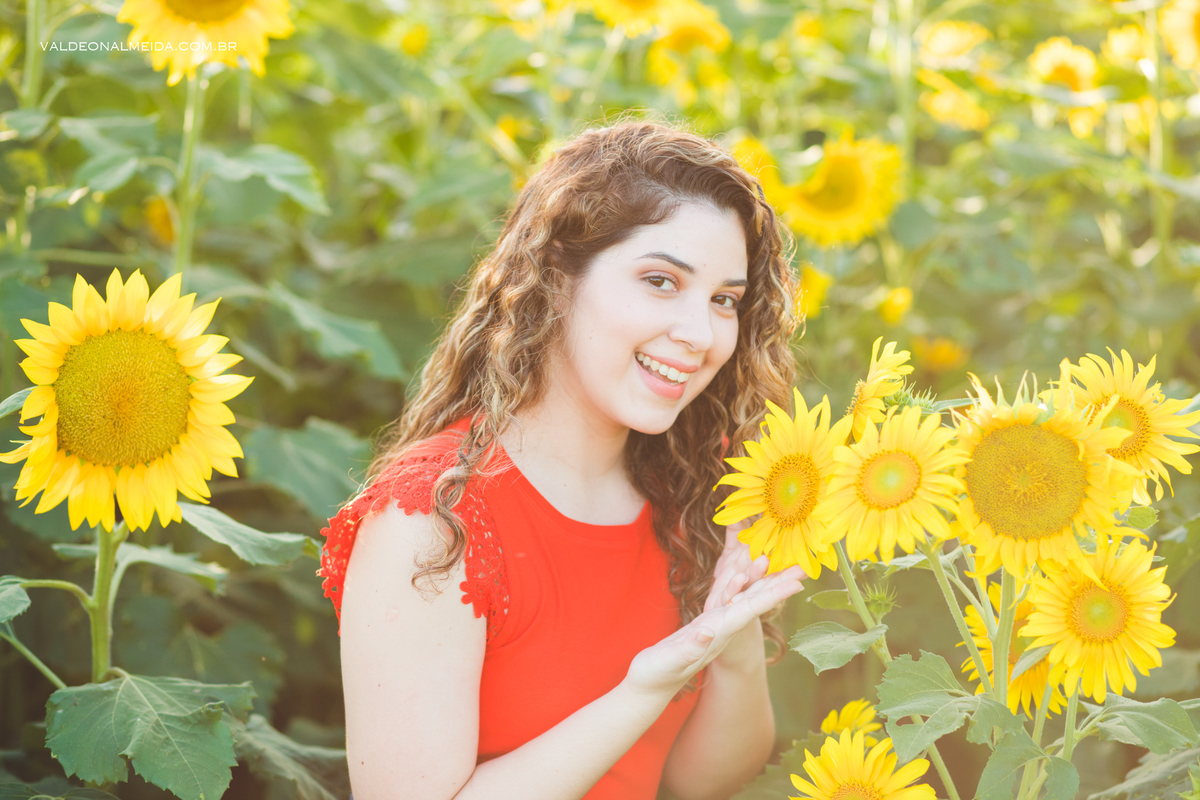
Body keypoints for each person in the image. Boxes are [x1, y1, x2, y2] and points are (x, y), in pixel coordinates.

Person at [317, 119, 807, 800]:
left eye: (725, 299)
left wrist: (734, 639)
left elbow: (703, 780)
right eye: (662, 281)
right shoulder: (430, 521)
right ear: (554, 278)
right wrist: (649, 686)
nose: (701, 335)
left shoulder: (700, 486)